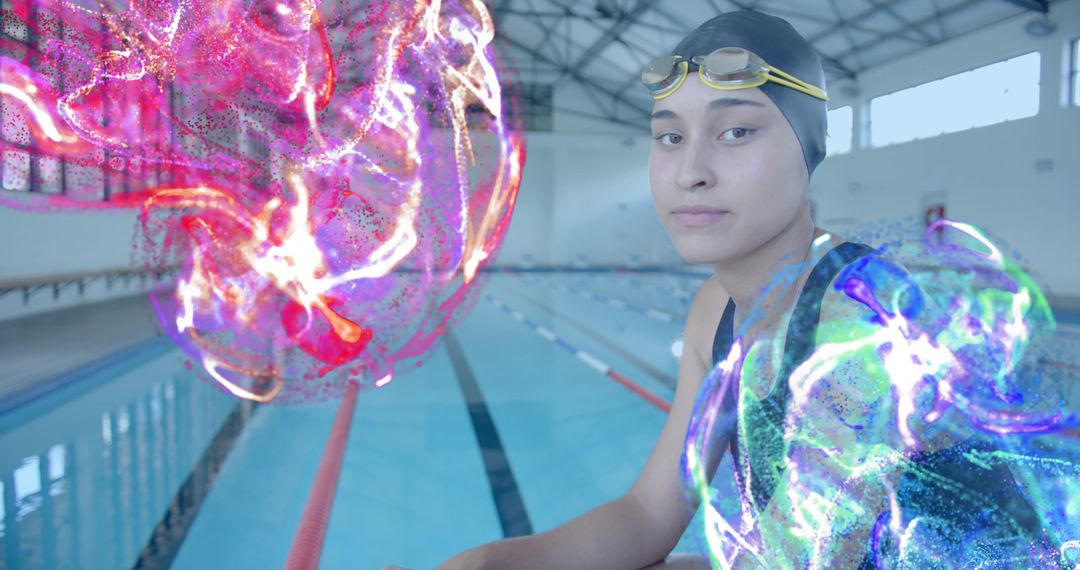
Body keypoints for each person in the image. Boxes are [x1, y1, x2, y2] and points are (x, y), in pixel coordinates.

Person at [388, 9, 1051, 570]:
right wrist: (491, 560)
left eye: (736, 132)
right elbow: (650, 514)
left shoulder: (860, 323)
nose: (691, 172)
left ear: (807, 148)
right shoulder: (718, 313)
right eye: (669, 137)